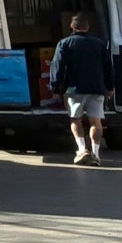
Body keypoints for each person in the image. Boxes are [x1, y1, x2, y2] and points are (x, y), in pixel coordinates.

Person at [48, 12, 112, 165]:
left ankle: (82, 149)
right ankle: (96, 154)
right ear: (87, 27)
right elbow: (108, 67)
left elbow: (57, 67)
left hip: (74, 89)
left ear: (72, 27)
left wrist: (55, 87)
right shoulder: (99, 44)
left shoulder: (64, 43)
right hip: (97, 88)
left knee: (76, 120)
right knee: (96, 122)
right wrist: (109, 87)